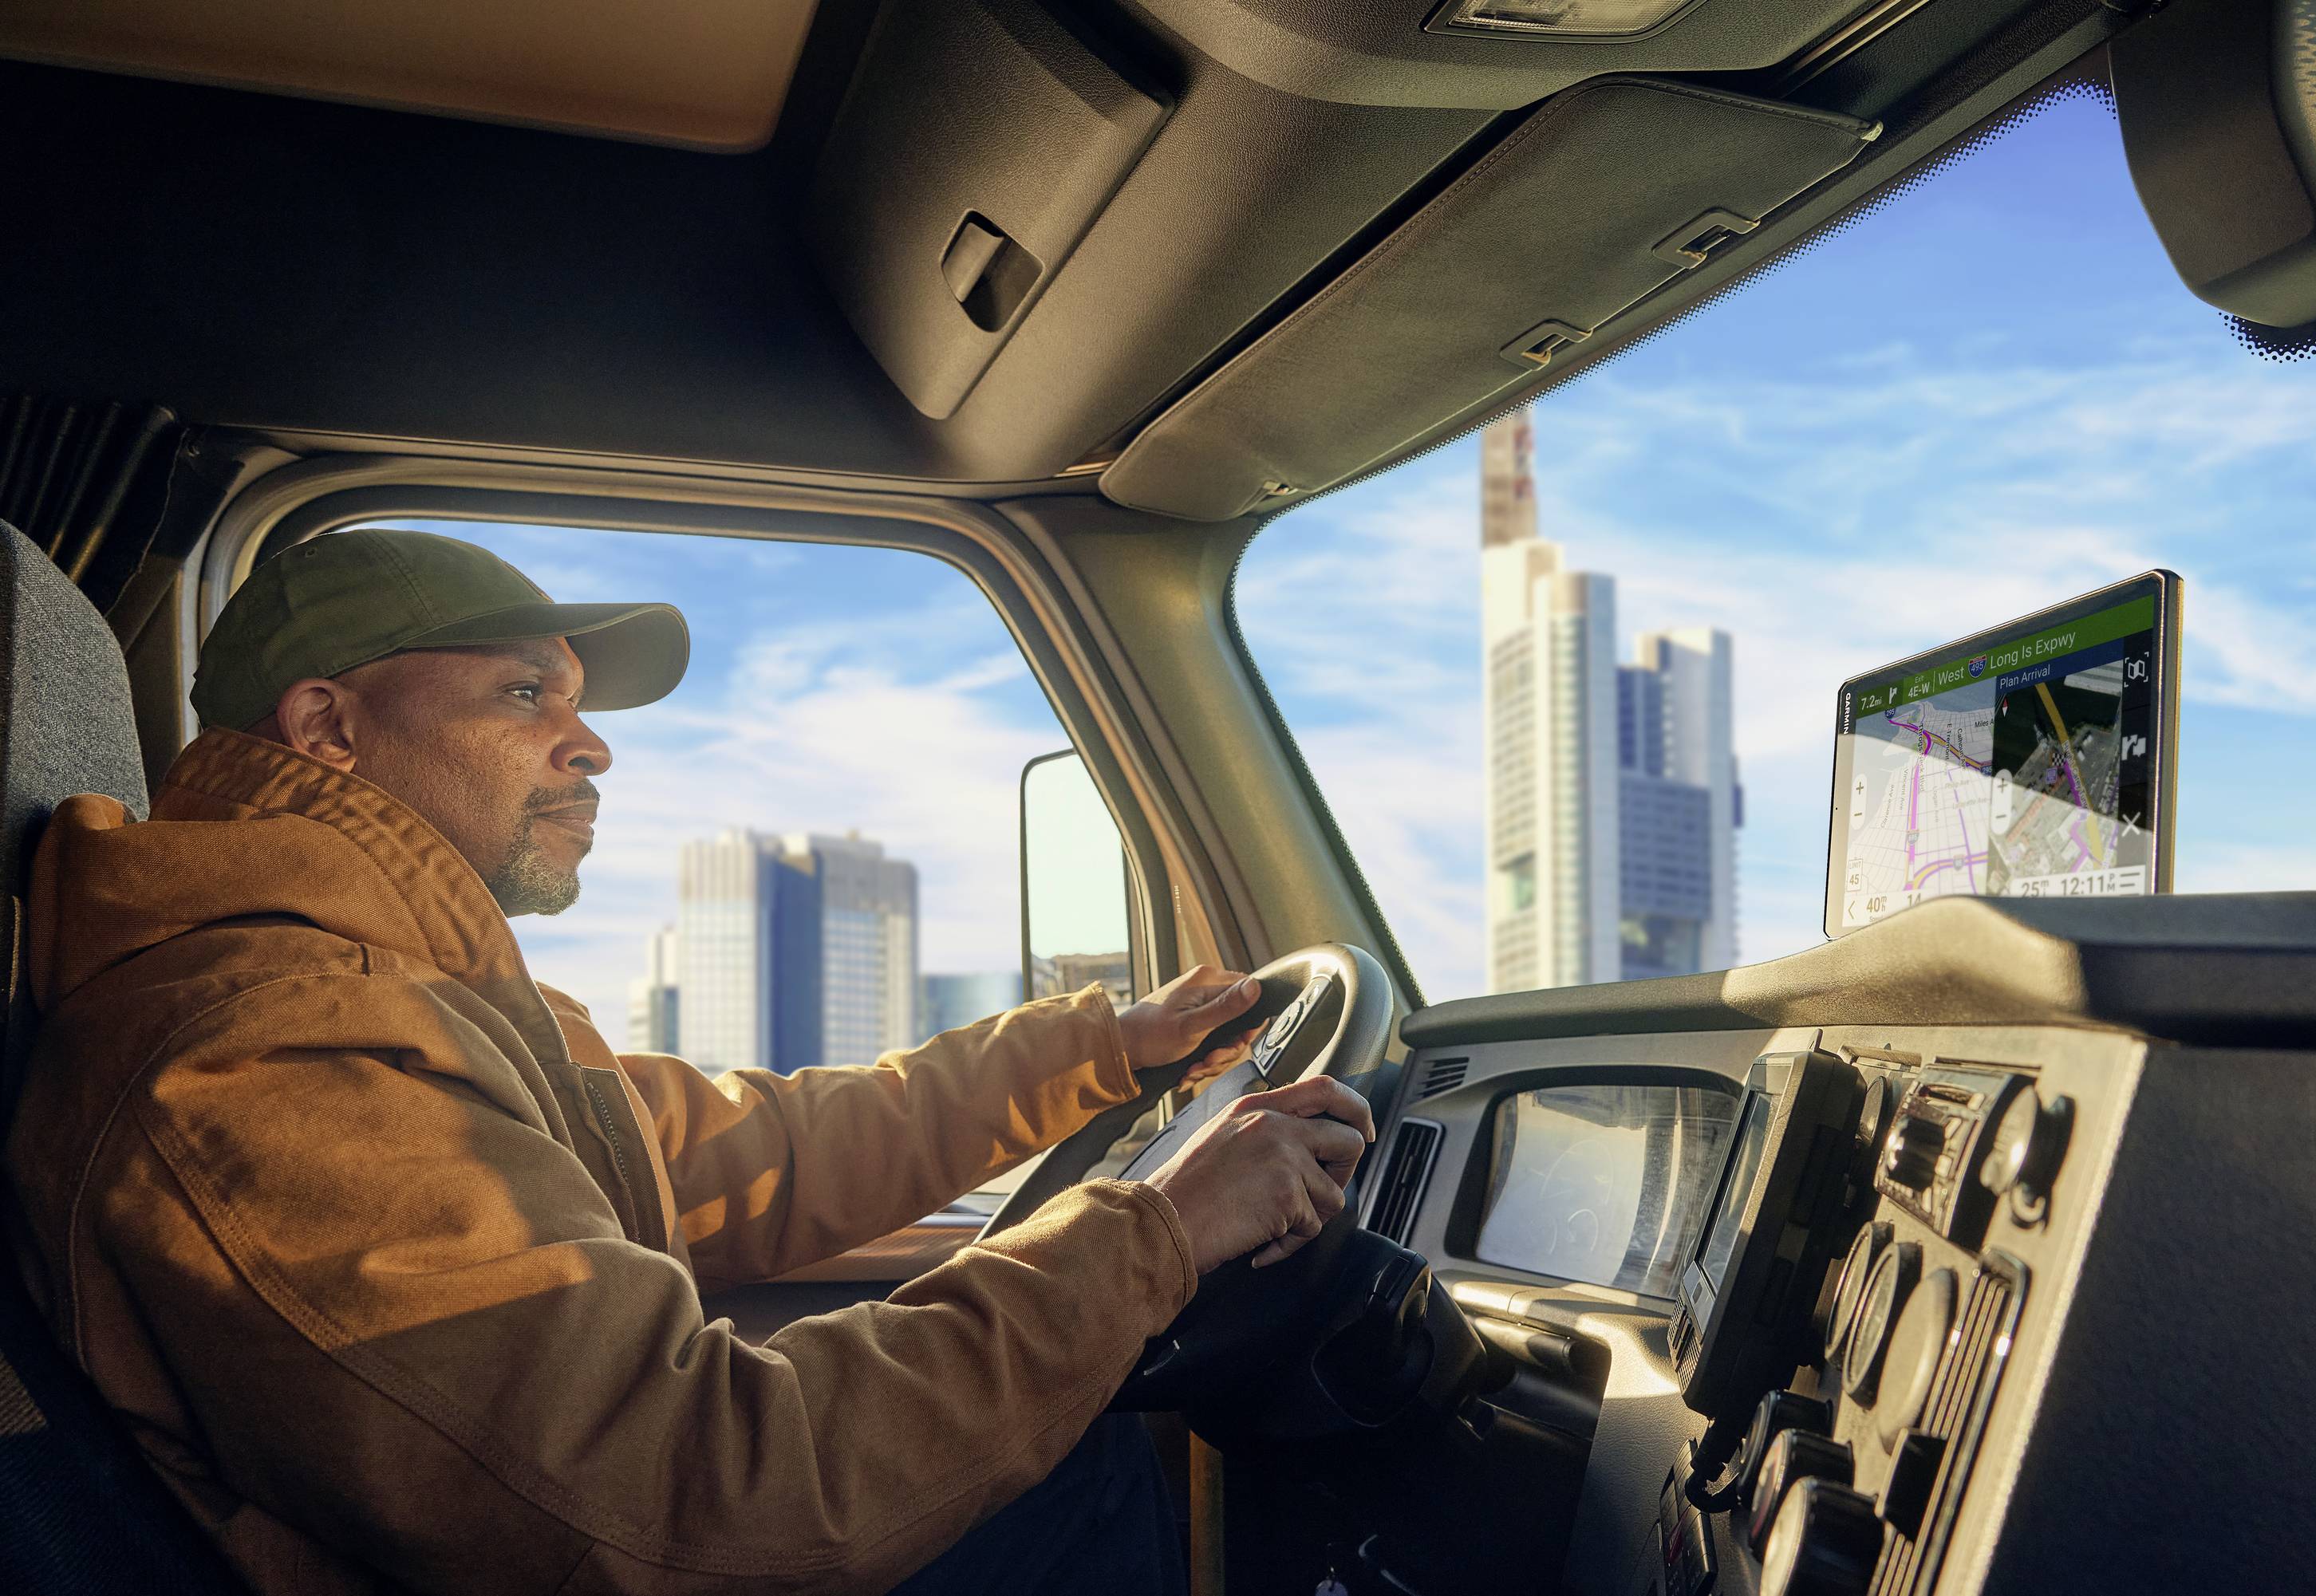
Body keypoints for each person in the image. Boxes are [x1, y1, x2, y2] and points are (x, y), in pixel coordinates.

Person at [2, 530, 1374, 1595]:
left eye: (581, 700)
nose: (589, 740)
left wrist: (1095, 1052)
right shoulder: (270, 1047)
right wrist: (1147, 1237)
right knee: (1068, 1464)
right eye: (525, 691)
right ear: (328, 728)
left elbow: (741, 1152)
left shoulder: (409, 993)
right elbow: (681, 1505)